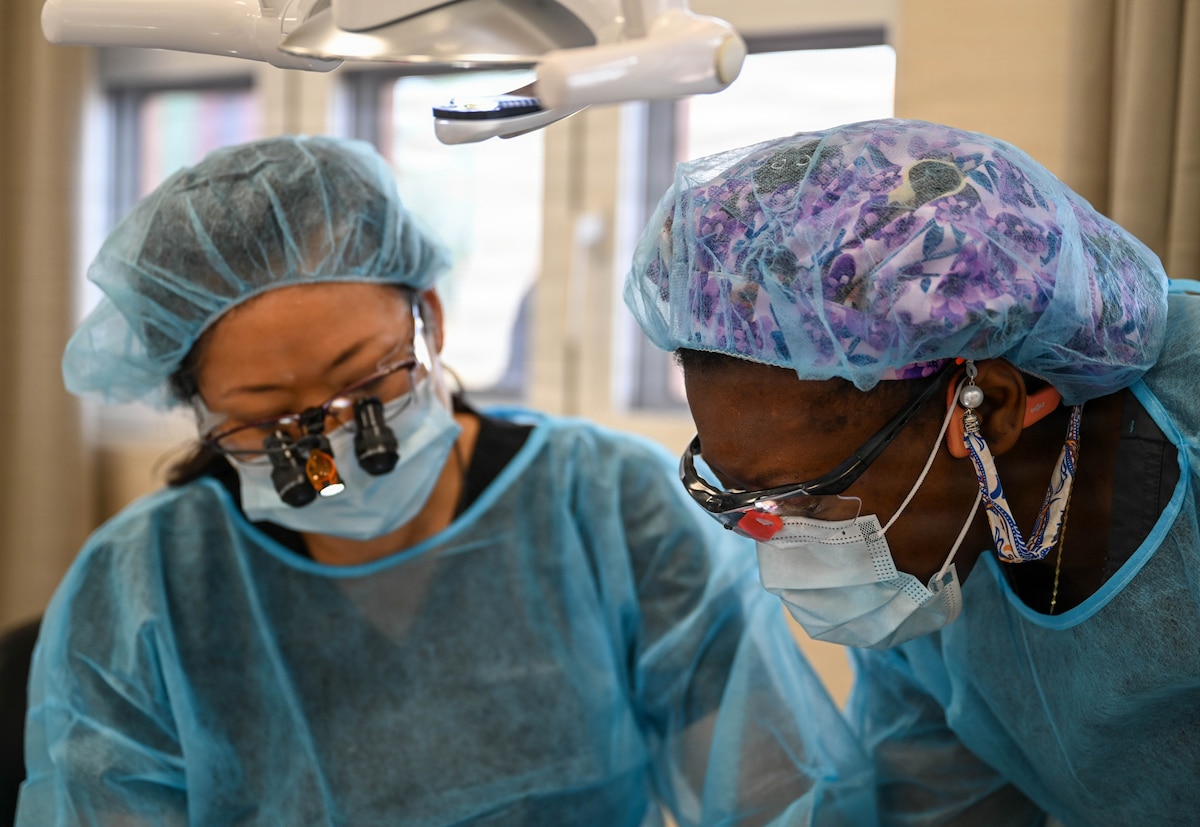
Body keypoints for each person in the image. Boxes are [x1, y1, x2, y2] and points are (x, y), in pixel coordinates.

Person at [16, 135, 877, 826]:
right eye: (269, 417)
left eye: (364, 382)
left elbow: (774, 795)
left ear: (427, 316)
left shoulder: (608, 506)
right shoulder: (144, 591)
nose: (333, 439)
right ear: (197, 407)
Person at [624, 117, 1200, 826]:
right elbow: (933, 804)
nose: (782, 550)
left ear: (989, 410)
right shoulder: (926, 580)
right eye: (739, 498)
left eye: (813, 500)